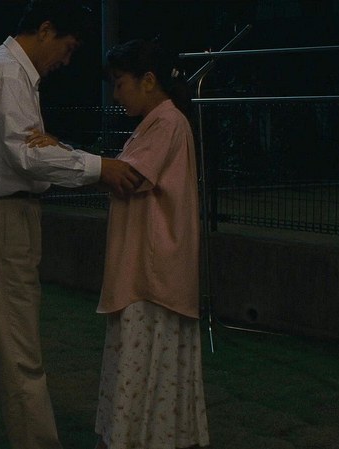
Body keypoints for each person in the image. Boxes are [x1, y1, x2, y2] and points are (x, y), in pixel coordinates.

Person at [0, 1, 141, 448]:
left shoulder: (2, 70)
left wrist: (60, 153)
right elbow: (28, 154)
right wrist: (100, 167)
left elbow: (30, 150)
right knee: (18, 357)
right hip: (2, 219)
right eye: (68, 48)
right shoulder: (9, 73)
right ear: (46, 30)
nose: (65, 61)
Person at [94, 38, 209, 449]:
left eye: (120, 82)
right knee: (147, 367)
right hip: (150, 270)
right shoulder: (160, 122)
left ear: (147, 80)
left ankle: (135, 440)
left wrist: (68, 158)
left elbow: (129, 177)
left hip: (152, 273)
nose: (116, 93)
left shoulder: (167, 122)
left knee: (143, 364)